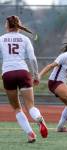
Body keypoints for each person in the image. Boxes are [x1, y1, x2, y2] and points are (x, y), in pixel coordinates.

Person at [0, 15, 48, 143]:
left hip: (8, 74)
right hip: (23, 72)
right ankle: (38, 118)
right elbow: (32, 58)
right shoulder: (25, 39)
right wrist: (36, 74)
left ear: (7, 26)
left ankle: (30, 134)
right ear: (18, 25)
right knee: (30, 105)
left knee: (17, 108)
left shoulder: (1, 39)